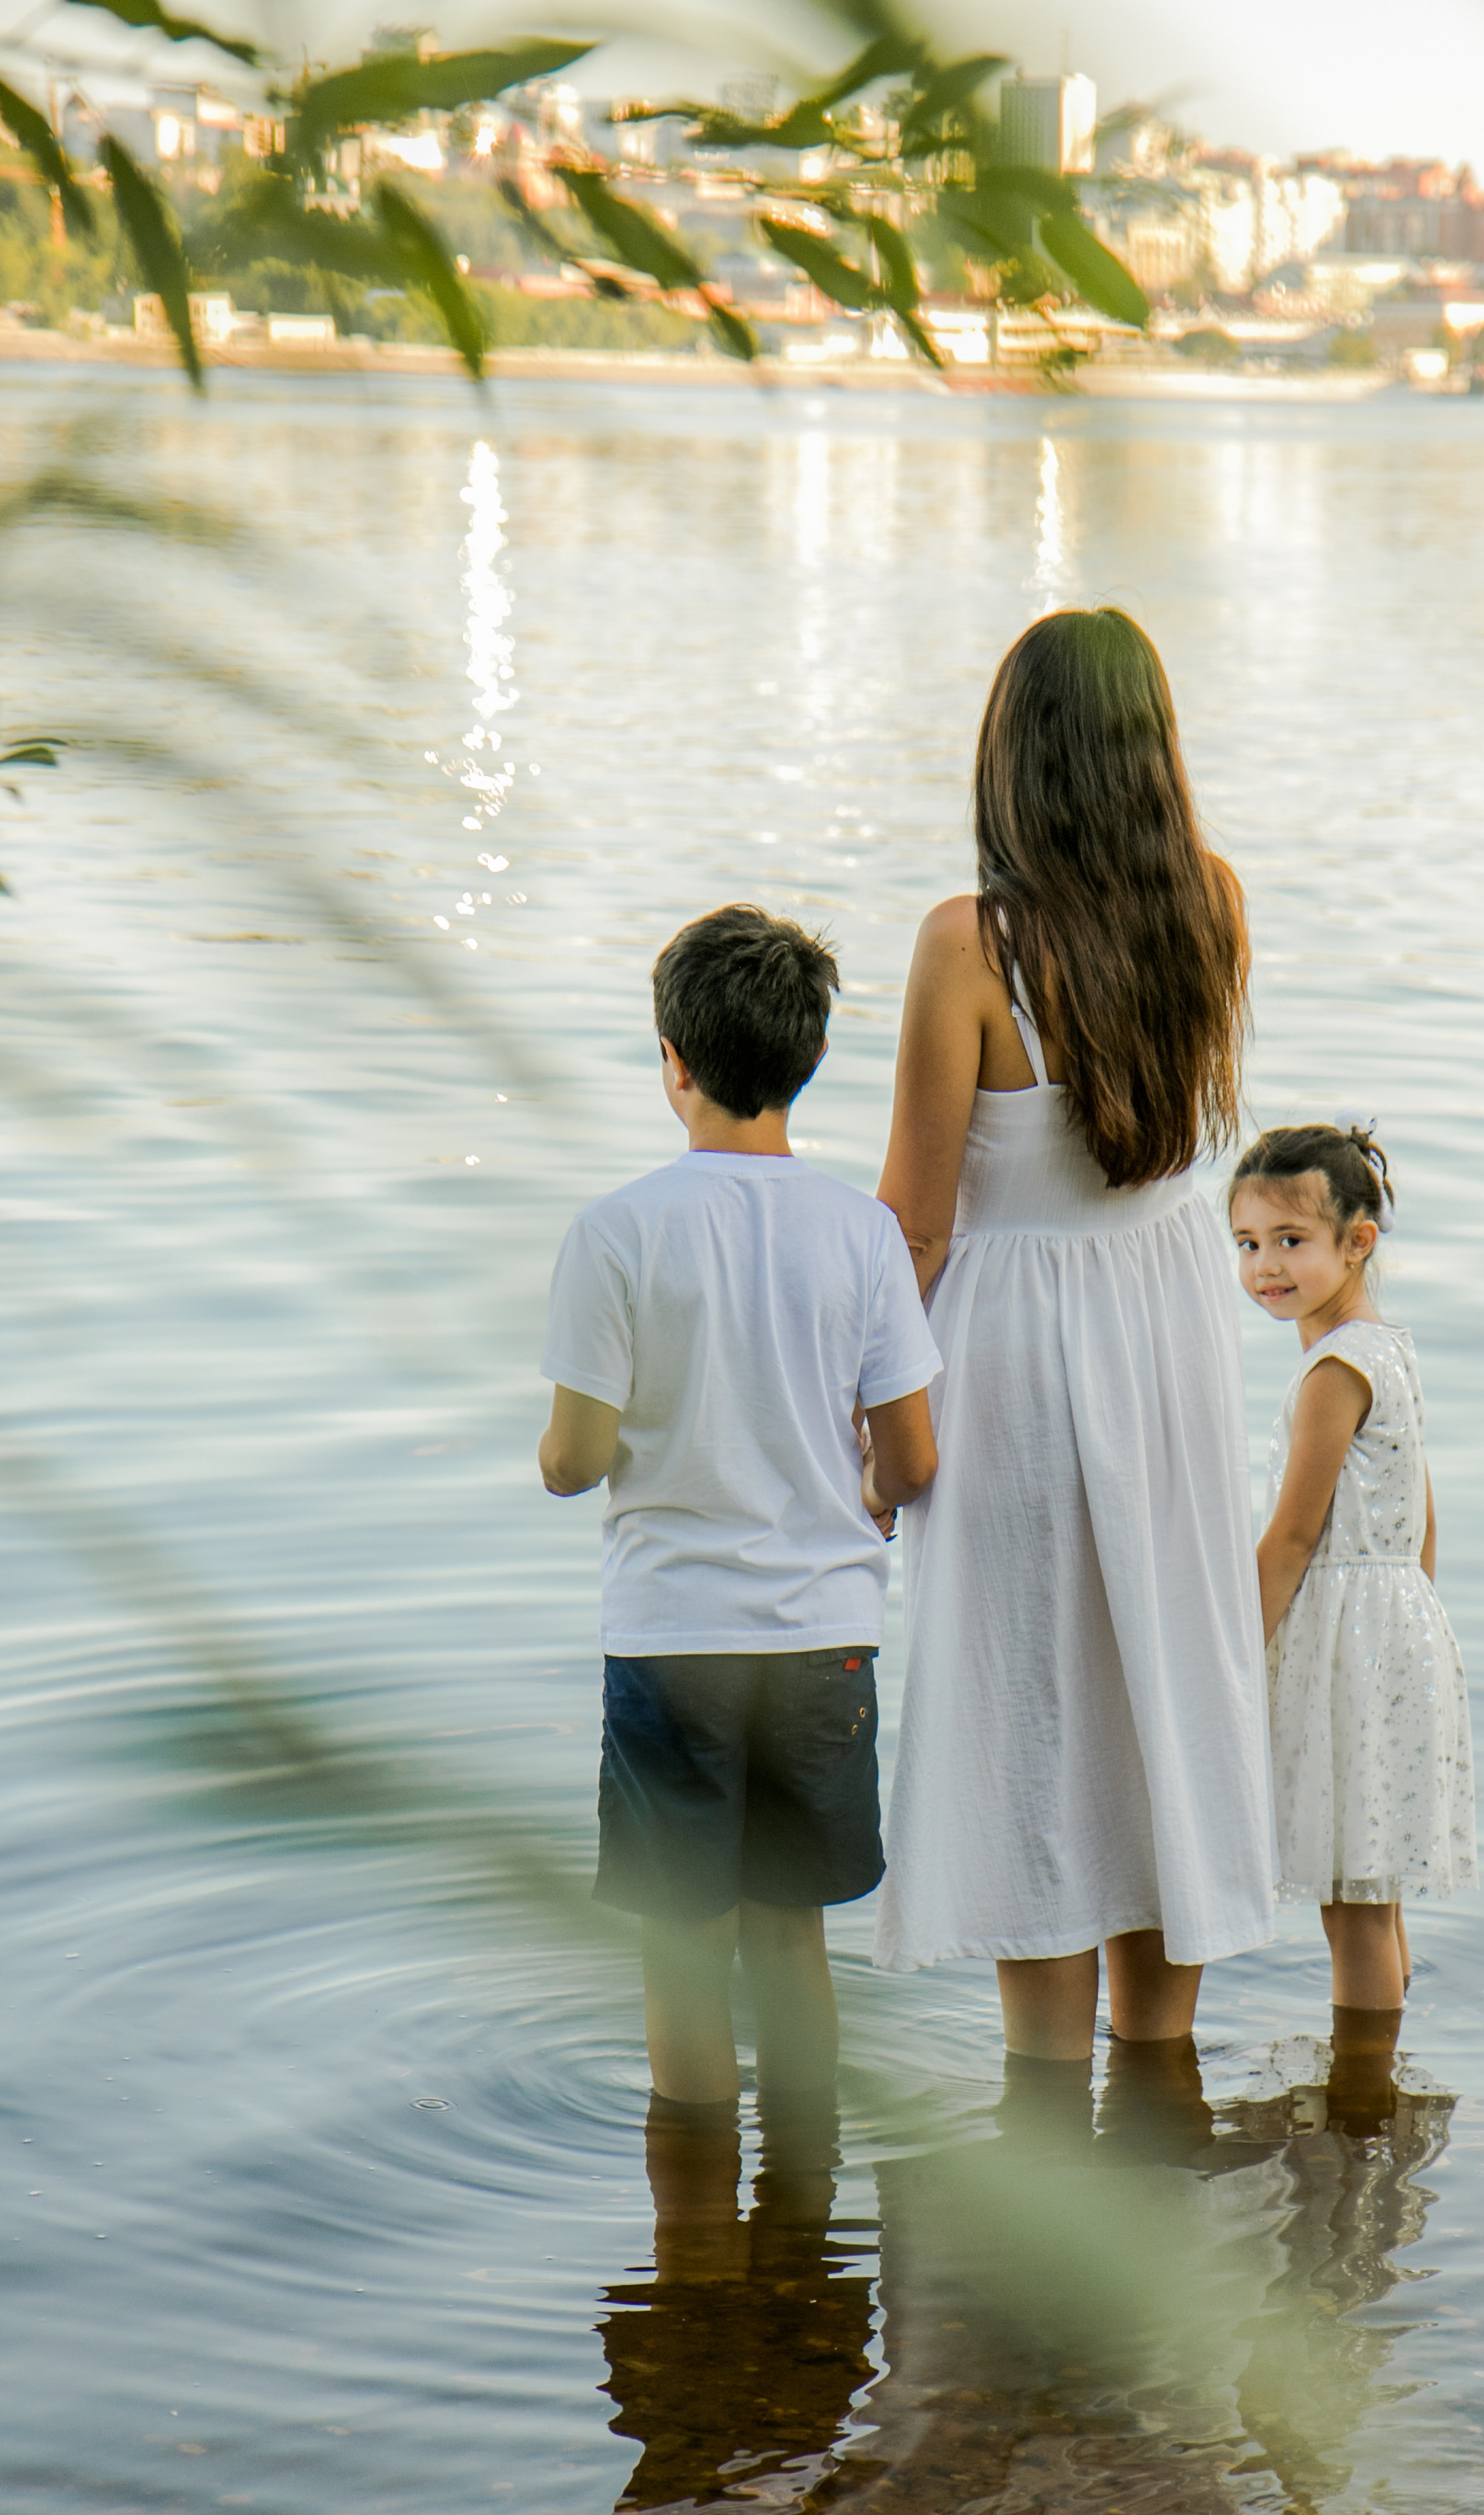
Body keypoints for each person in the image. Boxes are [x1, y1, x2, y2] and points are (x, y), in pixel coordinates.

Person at [873, 608, 1279, 2076]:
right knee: (1158, 1684)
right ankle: (1161, 2085)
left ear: (1016, 756)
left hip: (1018, 1361)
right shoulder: (1212, 906)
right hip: (1170, 1344)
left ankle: (1044, 2110)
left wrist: (862, 1425)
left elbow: (914, 1226)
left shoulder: (967, 946)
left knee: (1033, 1715)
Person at [538, 903, 941, 2124]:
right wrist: (864, 1496)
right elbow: (912, 1460)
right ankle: (805, 2194)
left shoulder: (615, 1232)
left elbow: (575, 1460)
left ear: (674, 1060)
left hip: (673, 1638)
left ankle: (697, 2217)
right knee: (789, 1938)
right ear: (809, 1057)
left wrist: (563, 1456)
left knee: (680, 1952)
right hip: (823, 1639)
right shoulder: (864, 1233)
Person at [1229, 1120, 1476, 2063]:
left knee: (1353, 1906)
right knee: (1373, 1894)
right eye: (1247, 1243)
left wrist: (1231, 1657)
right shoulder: (1386, 1349)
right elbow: (1424, 1520)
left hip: (1352, 1647)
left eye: (1290, 1240)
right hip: (1395, 1629)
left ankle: (1364, 2107)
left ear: (1357, 1241)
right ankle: (1385, 2095)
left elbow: (1292, 1538)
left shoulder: (1334, 1372)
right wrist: (1405, 1637)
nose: (1265, 1267)